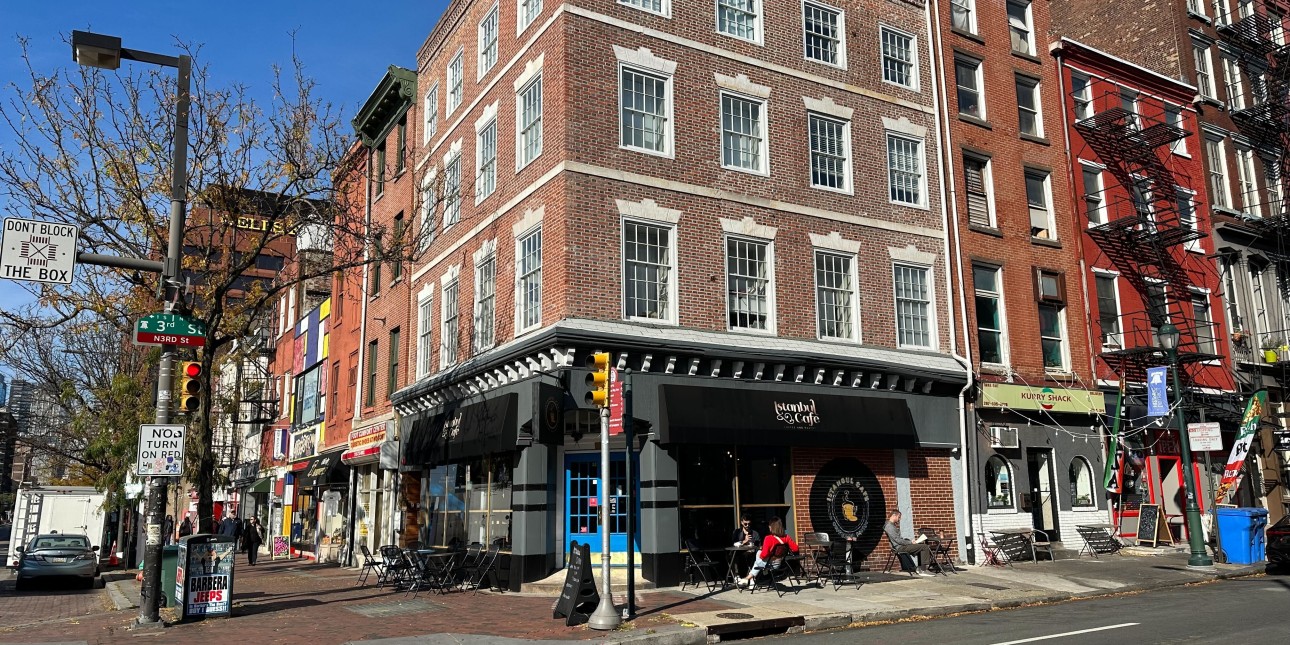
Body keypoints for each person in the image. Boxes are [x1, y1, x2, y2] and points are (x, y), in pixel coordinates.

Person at [737, 516, 798, 588]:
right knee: (757, 562)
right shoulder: (786, 537)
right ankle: (749, 578)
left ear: (771, 527)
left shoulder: (768, 538)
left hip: (769, 565)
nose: (768, 527)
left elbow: (763, 555)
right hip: (779, 564)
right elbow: (795, 549)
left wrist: (762, 551)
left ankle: (748, 578)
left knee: (758, 554)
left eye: (769, 525)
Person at [883, 510, 936, 576]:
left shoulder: (891, 525)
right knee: (924, 547)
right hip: (900, 547)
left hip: (901, 546)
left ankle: (920, 568)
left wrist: (910, 541)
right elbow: (898, 540)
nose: (899, 519)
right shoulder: (889, 526)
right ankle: (923, 570)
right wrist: (910, 542)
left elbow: (898, 539)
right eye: (899, 517)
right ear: (894, 515)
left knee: (920, 546)